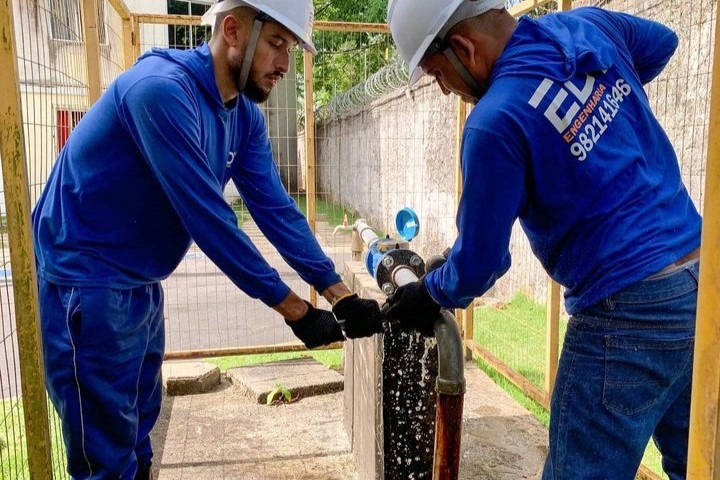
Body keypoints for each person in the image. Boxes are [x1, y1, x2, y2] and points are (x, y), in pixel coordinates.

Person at [32, 1, 384, 478]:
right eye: (277, 44)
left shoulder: (242, 115)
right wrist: (297, 311)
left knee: (137, 432)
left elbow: (276, 209)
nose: (285, 64)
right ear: (233, 31)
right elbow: (211, 221)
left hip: (139, 281)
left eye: (290, 49)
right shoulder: (160, 91)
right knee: (104, 457)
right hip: (86, 281)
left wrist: (339, 294)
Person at [385, 1, 702, 478]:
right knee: (699, 463)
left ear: (463, 48)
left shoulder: (495, 121)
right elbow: (662, 44)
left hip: (625, 313)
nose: (446, 89)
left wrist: (428, 292)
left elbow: (480, 264)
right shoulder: (588, 26)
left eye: (437, 75)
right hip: (702, 281)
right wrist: (606, 114)